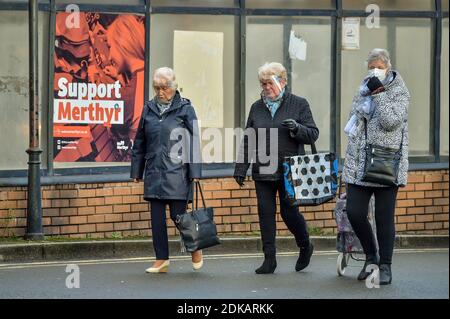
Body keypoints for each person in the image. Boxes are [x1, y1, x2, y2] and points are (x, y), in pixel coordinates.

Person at [234, 62, 319, 274]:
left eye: (269, 83)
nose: (266, 88)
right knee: (266, 214)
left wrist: (298, 129)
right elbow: (249, 139)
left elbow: (313, 134)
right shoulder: (257, 107)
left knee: (289, 213)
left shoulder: (299, 104)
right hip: (263, 168)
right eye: (263, 84)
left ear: (283, 81)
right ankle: (269, 259)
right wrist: (240, 167)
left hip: (290, 170)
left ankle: (305, 244)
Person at [342, 48, 410, 285]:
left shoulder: (400, 91)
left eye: (379, 66)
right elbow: (356, 118)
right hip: (359, 162)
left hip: (385, 163)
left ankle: (385, 265)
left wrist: (379, 93)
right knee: (354, 212)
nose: (375, 70)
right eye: (371, 66)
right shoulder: (364, 88)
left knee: (383, 218)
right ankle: (371, 255)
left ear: (388, 67)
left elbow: (391, 122)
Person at [131, 67, 203, 273]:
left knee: (178, 216)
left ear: (173, 86)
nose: (160, 92)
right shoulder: (148, 108)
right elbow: (140, 141)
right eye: (157, 88)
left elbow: (195, 141)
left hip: (178, 170)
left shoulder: (186, 109)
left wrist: (195, 172)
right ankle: (161, 259)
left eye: (164, 88)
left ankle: (195, 247)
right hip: (154, 170)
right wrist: (137, 170)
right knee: (156, 218)